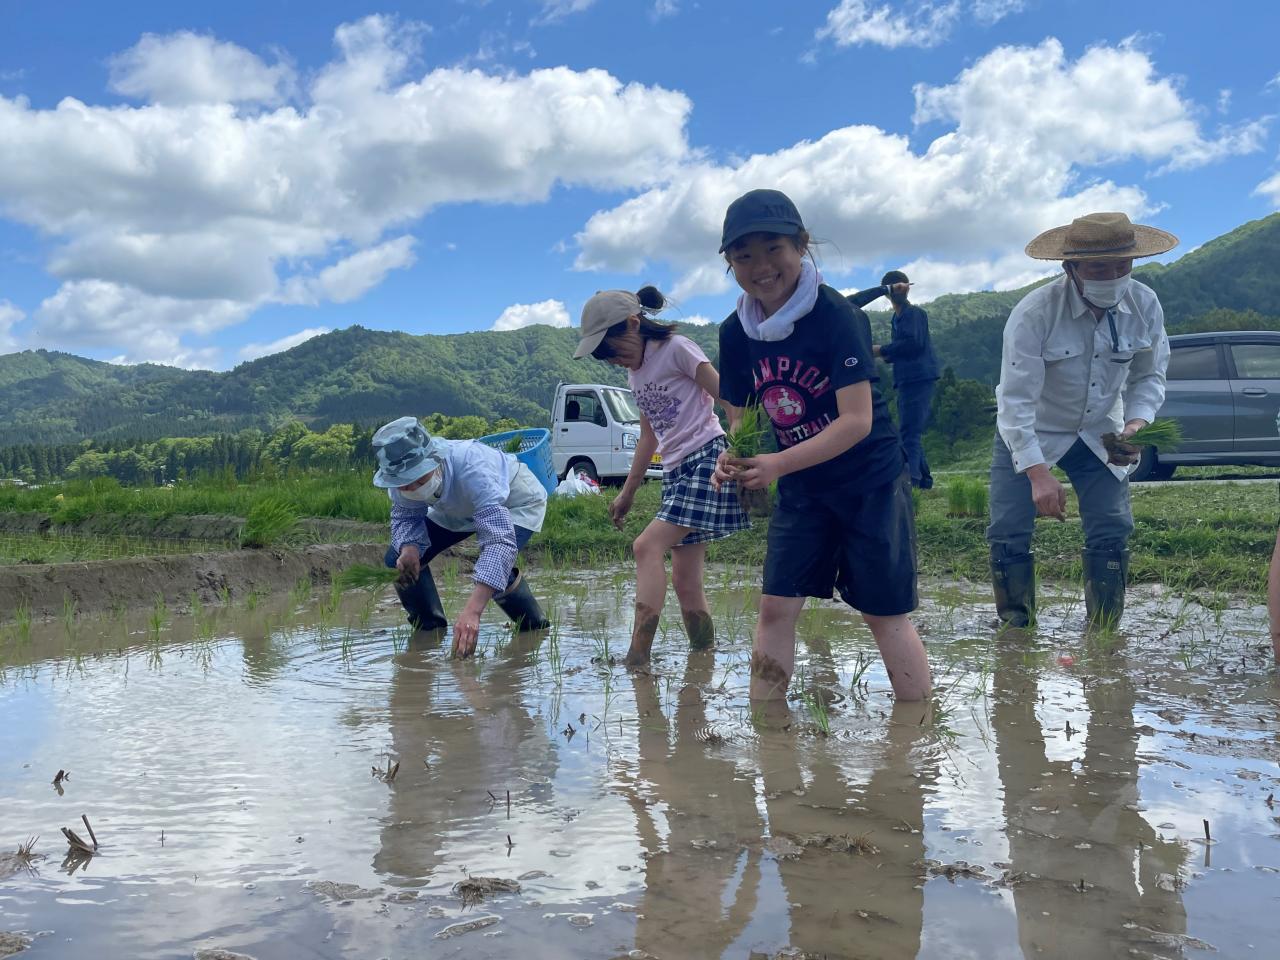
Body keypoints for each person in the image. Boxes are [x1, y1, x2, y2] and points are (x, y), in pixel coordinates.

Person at [712, 188, 931, 702]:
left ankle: (917, 737)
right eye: (743, 256)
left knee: (883, 612)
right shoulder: (735, 332)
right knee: (775, 608)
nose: (760, 267)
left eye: (773, 249)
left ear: (801, 245)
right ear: (729, 264)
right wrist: (733, 457)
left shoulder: (837, 315)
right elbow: (742, 421)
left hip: (868, 481)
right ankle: (768, 732)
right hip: (803, 488)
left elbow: (856, 421)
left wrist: (777, 464)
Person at [989, 212, 1177, 629]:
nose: (1111, 275)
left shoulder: (1144, 305)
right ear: (1070, 267)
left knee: (1112, 526)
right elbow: (1016, 400)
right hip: (1031, 430)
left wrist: (1135, 427)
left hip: (1101, 431)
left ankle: (1105, 629)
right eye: (1097, 267)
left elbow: (1150, 376)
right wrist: (1037, 472)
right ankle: (1017, 628)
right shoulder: (1035, 313)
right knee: (1008, 528)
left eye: (1121, 266)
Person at [574, 286, 748, 666]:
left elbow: (729, 399)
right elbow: (649, 436)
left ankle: (638, 656)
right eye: (607, 359)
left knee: (645, 546)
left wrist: (735, 448)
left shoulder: (677, 348)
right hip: (674, 469)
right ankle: (703, 656)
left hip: (707, 457)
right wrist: (628, 493)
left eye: (615, 350)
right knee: (686, 582)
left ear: (634, 323)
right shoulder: (637, 377)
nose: (616, 362)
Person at [371, 416, 550, 656]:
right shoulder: (398, 479)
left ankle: (534, 629)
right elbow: (406, 517)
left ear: (435, 461)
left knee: (496, 566)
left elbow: (499, 543)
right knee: (397, 557)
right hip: (457, 508)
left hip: (514, 502)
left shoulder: (472, 466)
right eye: (405, 485)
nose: (412, 489)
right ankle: (429, 630)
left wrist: (472, 612)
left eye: (419, 480)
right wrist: (410, 548)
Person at [849, 271, 940, 489]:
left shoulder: (914, 314)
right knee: (909, 429)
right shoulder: (897, 318)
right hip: (908, 379)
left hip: (918, 378)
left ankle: (913, 482)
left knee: (909, 431)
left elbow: (912, 344)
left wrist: (879, 351)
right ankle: (923, 480)